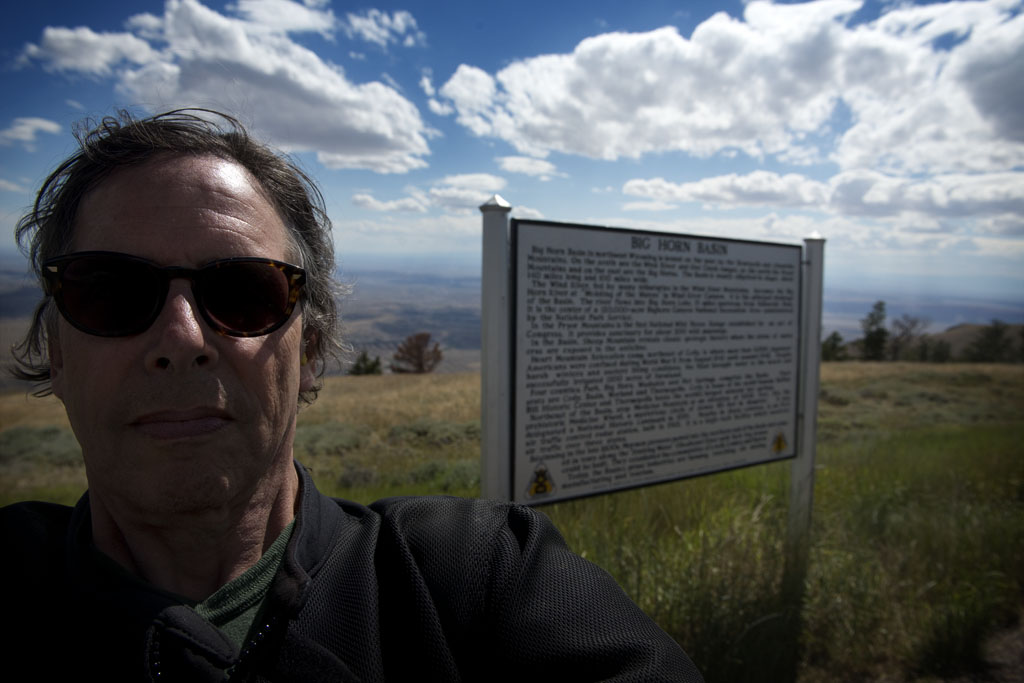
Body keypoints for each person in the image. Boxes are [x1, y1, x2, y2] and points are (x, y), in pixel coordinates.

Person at [1, 109, 703, 682]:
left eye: (244, 293)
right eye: (110, 292)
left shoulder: (473, 578)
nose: (181, 336)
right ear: (57, 353)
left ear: (308, 353)